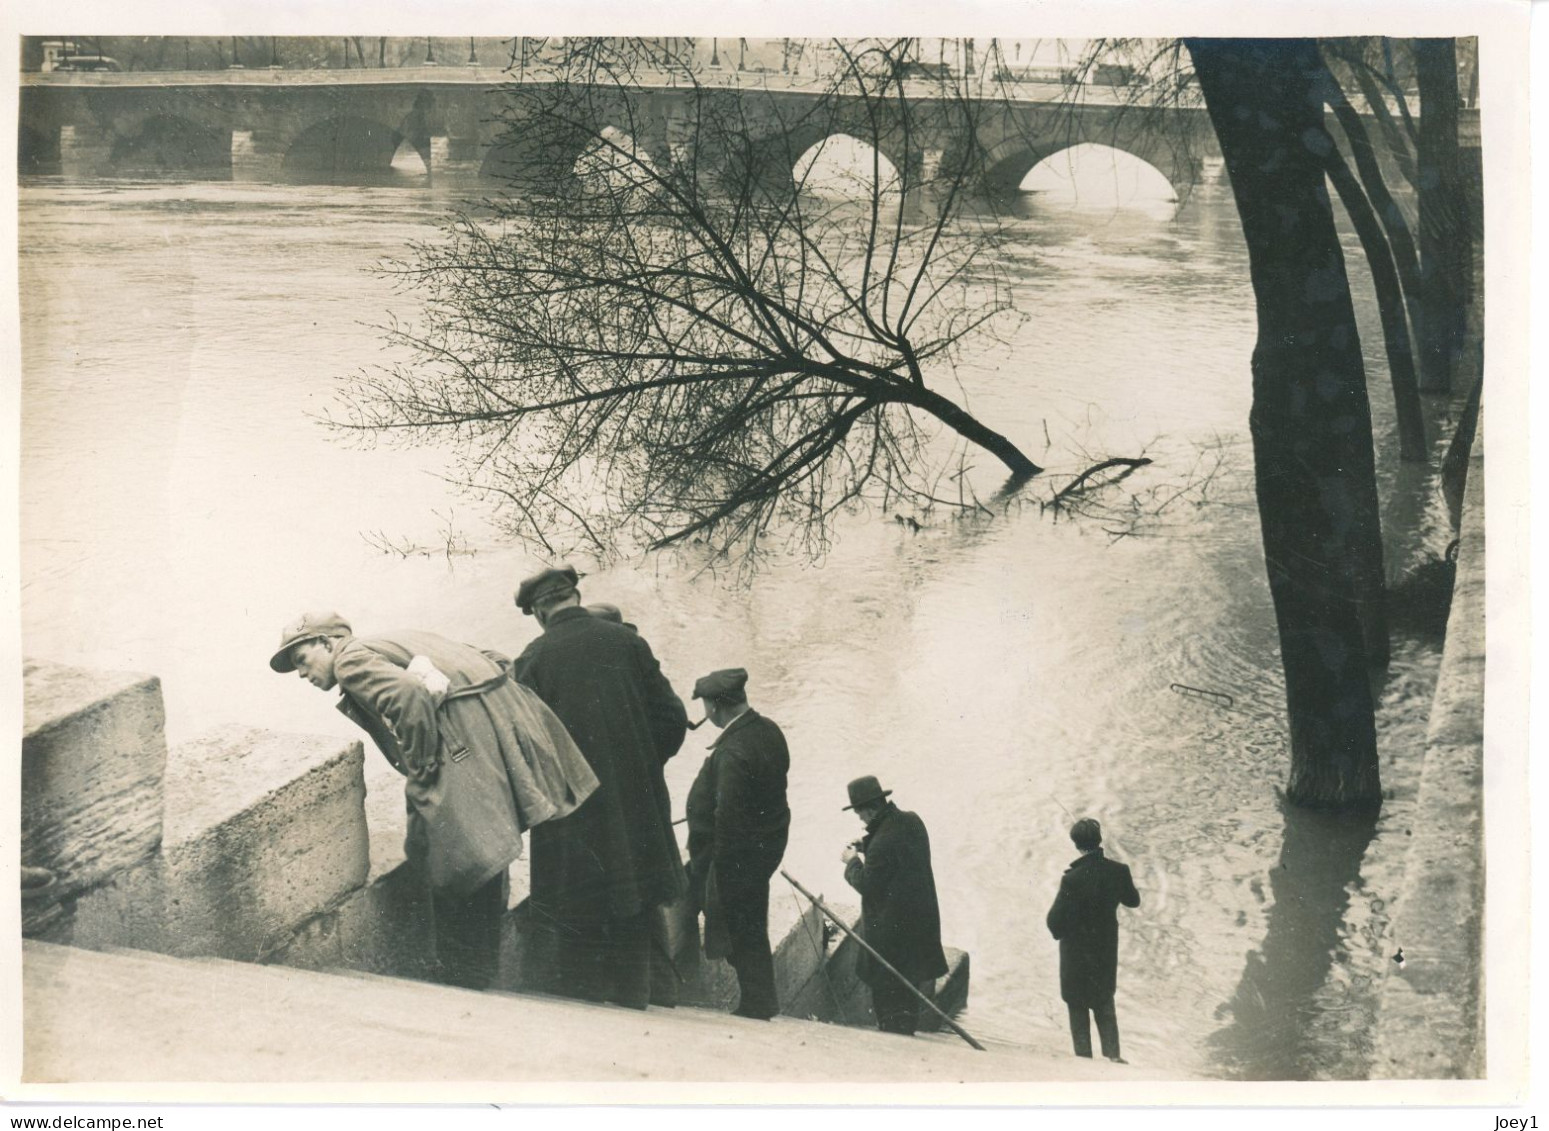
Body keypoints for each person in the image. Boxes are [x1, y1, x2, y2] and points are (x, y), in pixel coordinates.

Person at [271, 611, 599, 990]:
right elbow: (498, 660)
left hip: (461, 753)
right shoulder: (397, 636)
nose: (301, 673)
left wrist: (425, 764)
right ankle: (477, 968)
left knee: (460, 857)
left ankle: (465, 972)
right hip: (499, 736)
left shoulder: (350, 659)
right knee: (483, 850)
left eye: (301, 659)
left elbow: (407, 697)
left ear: (327, 643)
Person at [511, 565, 690, 1009]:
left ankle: (586, 995)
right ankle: (635, 995)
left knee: (578, 897)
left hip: (572, 806)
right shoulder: (628, 641)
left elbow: (525, 743)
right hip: (636, 800)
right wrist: (643, 765)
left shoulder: (534, 658)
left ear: (538, 610)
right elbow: (671, 717)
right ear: (575, 596)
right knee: (635, 891)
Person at [684, 667, 790, 1020]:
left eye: (705, 705)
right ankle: (760, 1000)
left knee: (734, 926)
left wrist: (715, 864)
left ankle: (756, 1002)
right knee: (750, 925)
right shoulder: (768, 730)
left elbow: (728, 814)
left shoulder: (732, 750)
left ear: (716, 706)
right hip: (763, 851)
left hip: (729, 857)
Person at [840, 775, 948, 1035]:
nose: (861, 820)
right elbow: (894, 847)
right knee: (907, 997)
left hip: (890, 940)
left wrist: (852, 861)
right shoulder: (911, 821)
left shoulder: (882, 843)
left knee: (887, 1001)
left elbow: (867, 884)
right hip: (918, 931)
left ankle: (891, 1039)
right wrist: (866, 845)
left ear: (869, 808)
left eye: (860, 814)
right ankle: (905, 1036)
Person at [1045, 817, 1141, 1063]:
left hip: (1076, 954)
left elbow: (1054, 921)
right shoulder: (1119, 872)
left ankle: (1084, 1061)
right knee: (1104, 1001)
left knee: (1077, 1005)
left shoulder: (1072, 879)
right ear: (1099, 841)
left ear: (1076, 843)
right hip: (1105, 950)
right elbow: (1133, 901)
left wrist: (1062, 932)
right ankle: (1114, 1057)